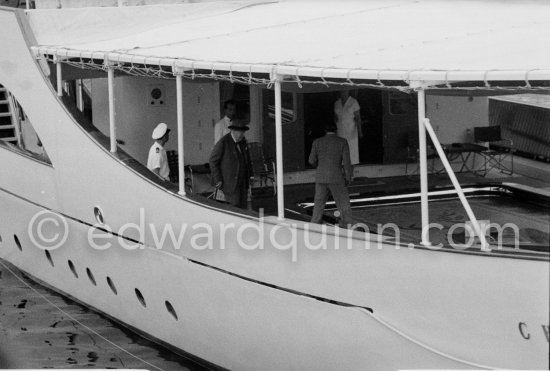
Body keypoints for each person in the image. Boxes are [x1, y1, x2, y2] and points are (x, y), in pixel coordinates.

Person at [309, 122, 353, 228]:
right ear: (336, 130)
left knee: (318, 203)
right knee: (343, 203)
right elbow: (347, 162)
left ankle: (315, 224)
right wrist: (348, 177)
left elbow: (311, 160)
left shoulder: (317, 142)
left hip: (321, 176)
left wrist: (319, 166)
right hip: (336, 177)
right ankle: (346, 224)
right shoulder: (342, 142)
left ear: (325, 131)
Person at [209, 118, 253, 209]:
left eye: (243, 132)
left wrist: (250, 175)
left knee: (243, 206)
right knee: (234, 206)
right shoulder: (223, 142)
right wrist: (218, 179)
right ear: (233, 130)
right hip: (229, 183)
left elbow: (247, 159)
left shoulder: (243, 141)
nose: (242, 134)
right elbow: (213, 161)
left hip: (243, 182)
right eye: (239, 132)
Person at [334, 90, 362, 165]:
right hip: (340, 131)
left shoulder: (353, 102)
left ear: (348, 91)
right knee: (340, 151)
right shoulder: (337, 103)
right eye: (342, 91)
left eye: (344, 91)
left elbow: (358, 118)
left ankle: (351, 173)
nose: (343, 93)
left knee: (351, 153)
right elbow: (335, 118)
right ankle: (343, 171)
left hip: (351, 131)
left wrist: (360, 131)